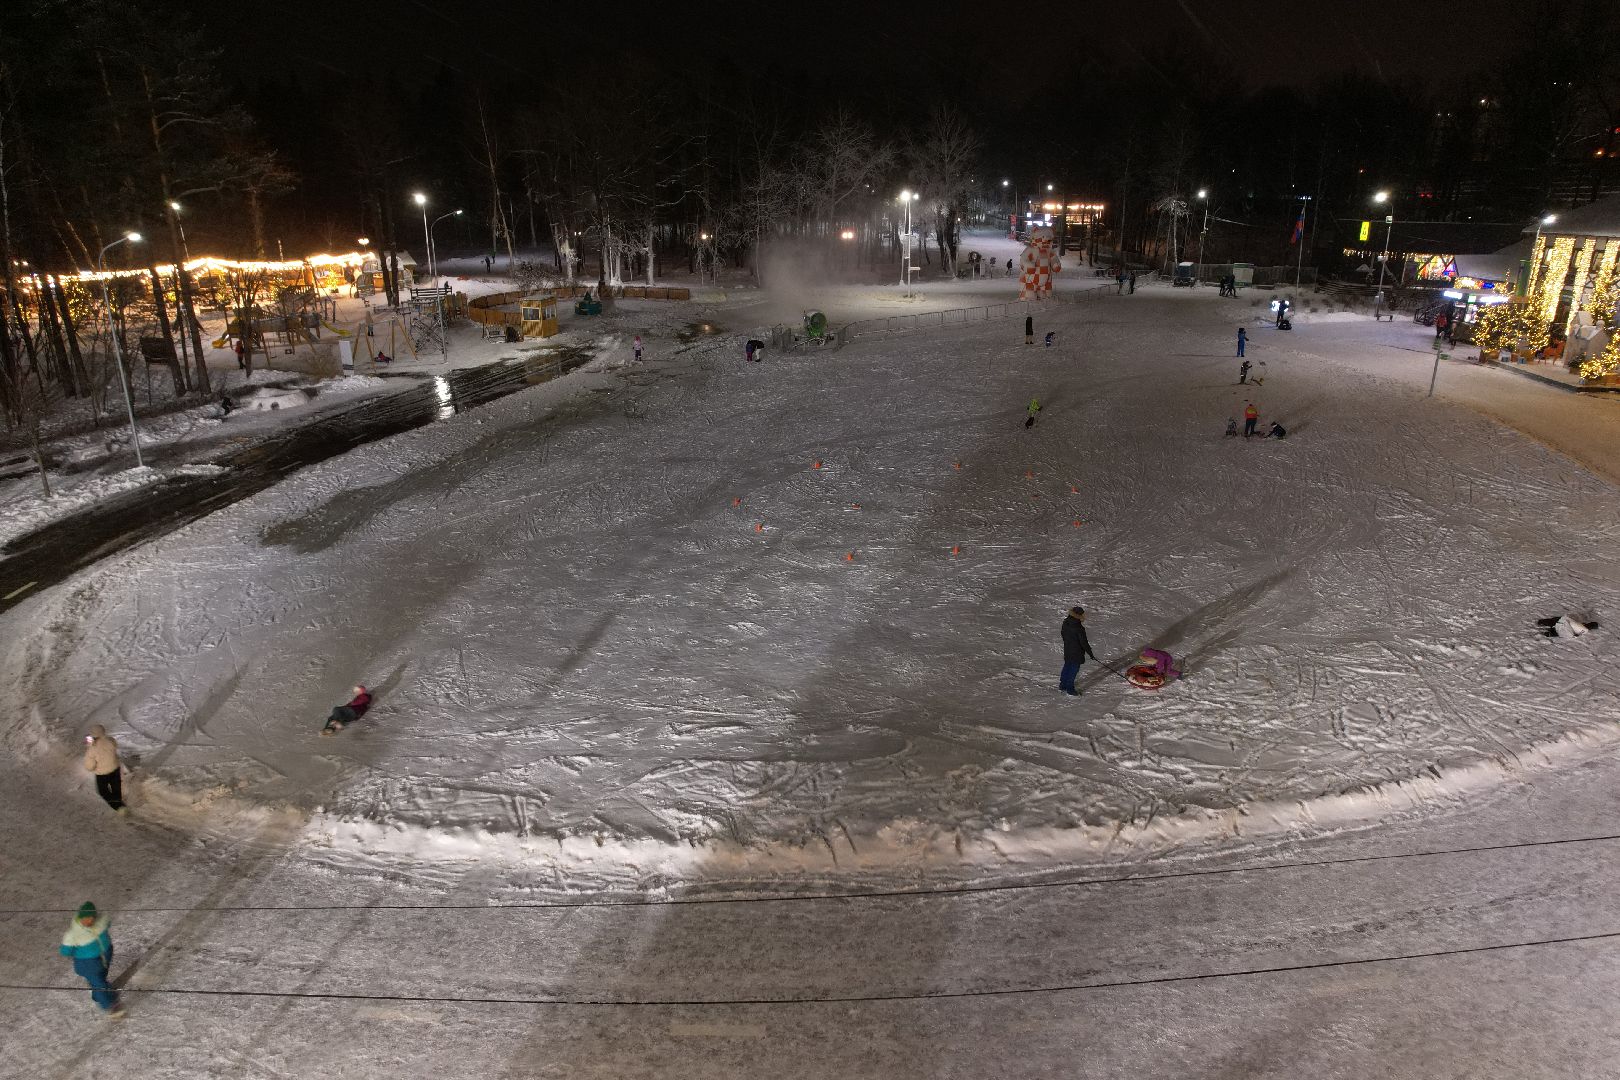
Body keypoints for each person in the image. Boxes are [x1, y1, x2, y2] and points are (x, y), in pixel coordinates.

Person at [60, 902, 122, 1017]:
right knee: (99, 983)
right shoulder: (72, 935)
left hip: (104, 956)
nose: (88, 921)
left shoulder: (102, 921)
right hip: (88, 963)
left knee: (100, 979)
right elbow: (65, 951)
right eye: (85, 919)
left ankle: (97, 995)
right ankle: (110, 1006)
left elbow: (107, 923)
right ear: (80, 918)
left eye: (90, 918)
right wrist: (81, 952)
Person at [83, 724, 125, 814]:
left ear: (93, 735)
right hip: (115, 769)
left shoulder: (92, 749)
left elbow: (89, 766)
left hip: (102, 774)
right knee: (116, 789)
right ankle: (119, 803)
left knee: (103, 791)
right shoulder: (111, 741)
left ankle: (118, 808)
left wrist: (89, 746)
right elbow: (114, 744)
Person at [1060, 606, 1097, 695]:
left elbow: (1063, 634)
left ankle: (1062, 685)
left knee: (1067, 666)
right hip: (1076, 653)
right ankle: (1070, 689)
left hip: (1068, 649)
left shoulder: (1065, 623)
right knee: (1073, 670)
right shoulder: (1079, 628)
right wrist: (1090, 654)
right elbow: (1084, 643)